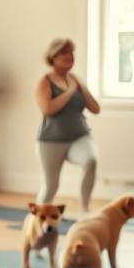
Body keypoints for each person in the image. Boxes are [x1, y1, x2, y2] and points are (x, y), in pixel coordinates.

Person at [34, 39, 100, 213]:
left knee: (91, 160)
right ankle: (35, 223)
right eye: (64, 53)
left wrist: (80, 87)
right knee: (50, 187)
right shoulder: (45, 82)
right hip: (50, 141)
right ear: (53, 57)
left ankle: (84, 211)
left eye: (71, 53)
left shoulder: (75, 80)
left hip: (79, 137)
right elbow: (48, 109)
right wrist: (70, 91)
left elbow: (95, 108)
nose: (69, 57)